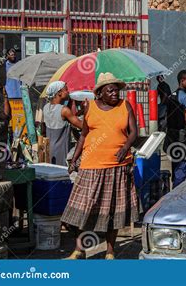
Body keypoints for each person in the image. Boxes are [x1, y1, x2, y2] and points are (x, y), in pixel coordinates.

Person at [62, 73, 139, 260]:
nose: (114, 94)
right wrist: (75, 160)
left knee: (112, 211)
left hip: (117, 166)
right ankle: (79, 250)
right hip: (91, 165)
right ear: (100, 93)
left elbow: (133, 131)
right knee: (83, 209)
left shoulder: (125, 105)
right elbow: (83, 135)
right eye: (110, 90)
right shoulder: (90, 108)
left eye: (116, 90)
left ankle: (110, 251)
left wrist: (126, 147)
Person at [43, 81, 83, 166]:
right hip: (61, 150)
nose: (68, 92)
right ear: (59, 93)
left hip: (49, 149)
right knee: (63, 173)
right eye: (66, 90)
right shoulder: (64, 110)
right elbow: (81, 125)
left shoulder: (45, 108)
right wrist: (86, 109)